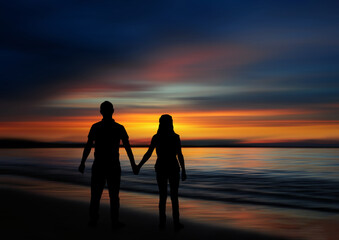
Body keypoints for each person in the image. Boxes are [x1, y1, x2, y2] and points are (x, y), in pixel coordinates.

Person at [78, 101, 137, 229]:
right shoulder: (118, 128)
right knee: (113, 195)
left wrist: (83, 162)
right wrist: (133, 165)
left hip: (101, 164)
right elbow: (127, 148)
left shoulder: (96, 127)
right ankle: (113, 222)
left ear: (101, 111)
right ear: (113, 111)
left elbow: (88, 146)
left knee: (96, 194)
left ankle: (94, 220)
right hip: (112, 165)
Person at [136, 114, 186, 231]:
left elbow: (149, 153)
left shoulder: (157, 137)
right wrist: (183, 170)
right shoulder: (174, 137)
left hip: (163, 168)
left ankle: (163, 223)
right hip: (171, 168)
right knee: (173, 196)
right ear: (171, 123)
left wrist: (139, 165)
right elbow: (179, 155)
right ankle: (175, 223)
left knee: (163, 196)